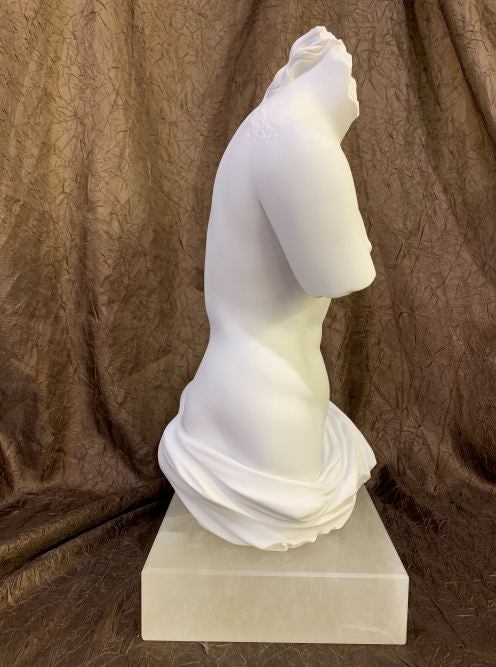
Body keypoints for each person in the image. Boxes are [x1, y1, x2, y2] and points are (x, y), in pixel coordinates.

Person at [158, 26, 377, 551]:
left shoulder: (261, 129)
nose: (357, 87)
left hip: (246, 388)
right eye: (349, 69)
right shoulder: (300, 140)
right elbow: (348, 272)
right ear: (327, 68)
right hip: (267, 413)